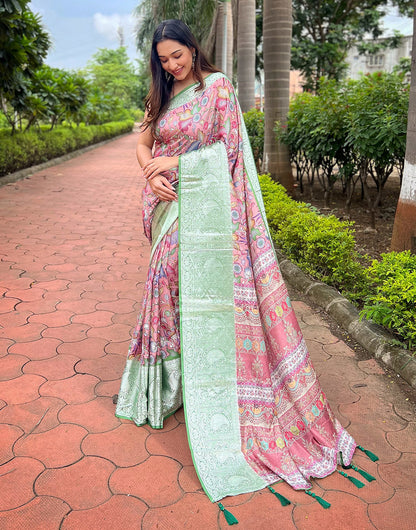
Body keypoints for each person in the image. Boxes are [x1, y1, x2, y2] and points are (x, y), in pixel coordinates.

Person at [116, 19, 374, 509]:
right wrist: (150, 173)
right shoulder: (162, 95)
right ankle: (174, 384)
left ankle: (213, 384)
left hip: (208, 203)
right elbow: (145, 142)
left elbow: (230, 152)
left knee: (191, 285)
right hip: (170, 206)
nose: (173, 64)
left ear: (193, 48)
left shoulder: (217, 88)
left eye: (178, 55)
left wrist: (175, 165)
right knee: (163, 281)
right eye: (164, 58)